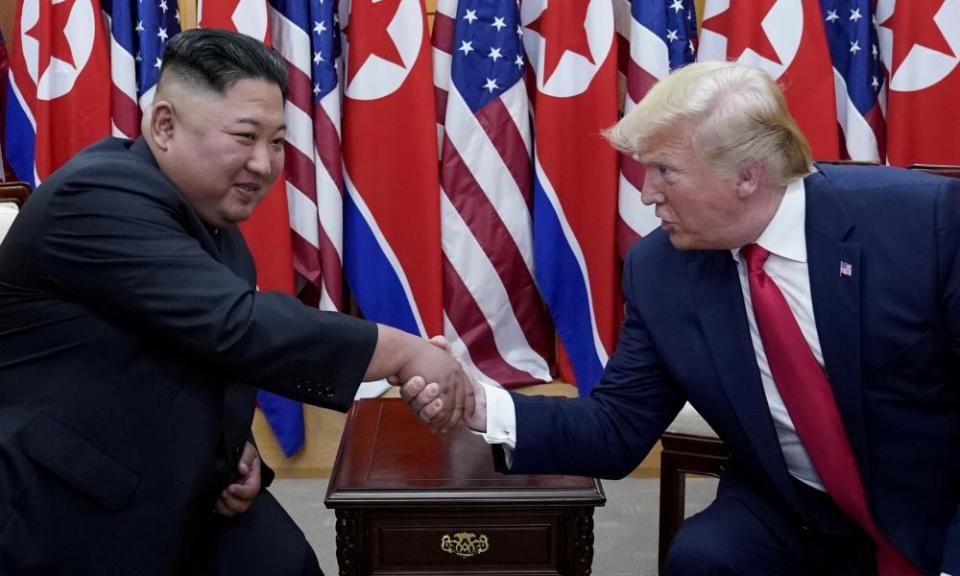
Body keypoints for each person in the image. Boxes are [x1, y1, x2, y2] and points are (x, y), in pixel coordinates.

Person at [403, 61, 960, 575]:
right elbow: (615, 429)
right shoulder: (661, 269)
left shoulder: (924, 224)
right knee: (702, 558)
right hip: (796, 502)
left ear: (747, 176)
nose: (646, 196)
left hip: (936, 500)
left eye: (665, 172)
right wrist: (479, 403)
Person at [0, 28, 471, 576]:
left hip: (192, 485)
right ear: (164, 125)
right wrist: (403, 352)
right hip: (67, 505)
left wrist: (235, 448)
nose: (265, 164)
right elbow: (234, 325)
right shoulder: (97, 196)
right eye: (245, 137)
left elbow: (200, 350)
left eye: (276, 141)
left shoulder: (207, 218)